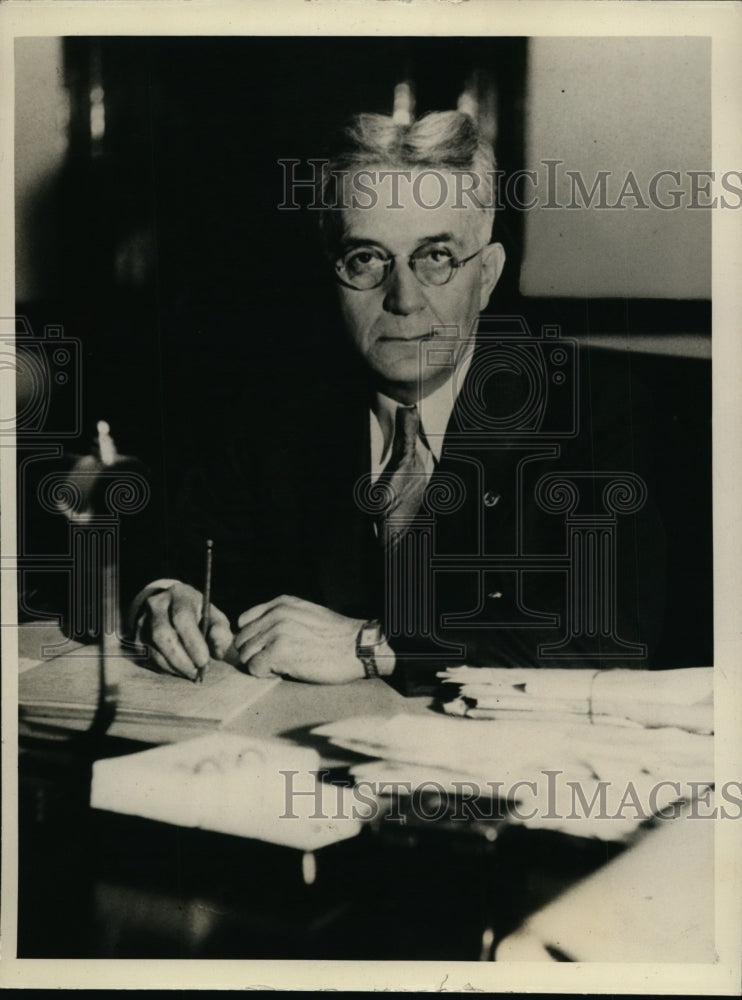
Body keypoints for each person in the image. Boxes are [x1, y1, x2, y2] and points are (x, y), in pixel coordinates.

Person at [129, 110, 665, 686]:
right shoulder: (275, 413)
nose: (403, 299)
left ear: (485, 275)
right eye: (366, 259)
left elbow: (613, 631)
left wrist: (374, 645)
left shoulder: (594, 412)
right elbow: (179, 552)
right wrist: (167, 598)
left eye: (436, 257)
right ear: (332, 274)